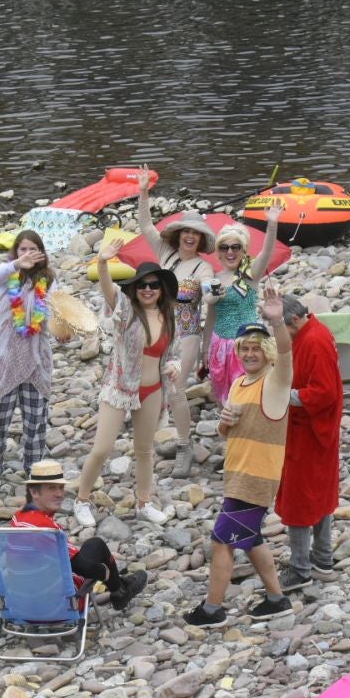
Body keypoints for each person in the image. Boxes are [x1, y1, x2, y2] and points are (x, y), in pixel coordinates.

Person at [184, 286, 295, 628]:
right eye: (244, 349)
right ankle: (277, 600)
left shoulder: (274, 384)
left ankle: (213, 609)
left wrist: (275, 322)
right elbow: (229, 432)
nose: (249, 354)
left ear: (266, 352)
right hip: (236, 475)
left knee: (222, 540)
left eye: (255, 349)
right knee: (250, 537)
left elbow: (287, 357)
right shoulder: (238, 384)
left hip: (257, 478)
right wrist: (223, 423)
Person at [74, 240, 181, 528]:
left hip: (153, 390)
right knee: (102, 448)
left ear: (162, 290)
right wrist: (103, 262)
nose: (148, 289)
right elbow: (108, 289)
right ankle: (82, 500)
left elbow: (174, 355)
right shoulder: (125, 310)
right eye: (142, 285)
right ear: (134, 289)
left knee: (145, 450)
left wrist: (174, 366)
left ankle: (145, 503)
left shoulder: (169, 316)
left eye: (154, 285)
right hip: (120, 389)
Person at [136, 166, 217, 478]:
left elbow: (210, 295)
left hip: (186, 333)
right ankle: (165, 434)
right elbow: (144, 224)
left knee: (177, 388)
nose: (189, 236)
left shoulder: (202, 269)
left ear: (200, 240)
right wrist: (144, 191)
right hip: (157, 330)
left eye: (194, 233)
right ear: (178, 234)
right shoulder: (165, 254)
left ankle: (184, 446)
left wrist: (213, 294)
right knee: (155, 383)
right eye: (185, 231)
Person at [11, 460, 148, 608]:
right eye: (52, 488)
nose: (59, 494)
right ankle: (119, 591)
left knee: (87, 549)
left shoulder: (17, 518)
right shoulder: (46, 529)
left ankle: (119, 587)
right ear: (34, 492)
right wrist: (106, 574)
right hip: (57, 605)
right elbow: (82, 567)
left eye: (61, 488)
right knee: (96, 545)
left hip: (18, 604)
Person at [275, 295, 343, 591]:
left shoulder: (313, 340)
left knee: (299, 499)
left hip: (309, 431)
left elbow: (324, 392)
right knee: (320, 492)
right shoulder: (314, 331)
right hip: (316, 431)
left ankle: (301, 568)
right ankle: (323, 559)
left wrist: (285, 395)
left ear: (293, 320)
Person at [0, 229, 55, 490]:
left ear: (41, 252)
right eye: (22, 249)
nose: (27, 254)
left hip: (36, 358)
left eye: (32, 249)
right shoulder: (8, 276)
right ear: (16, 252)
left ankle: (34, 466)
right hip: (6, 357)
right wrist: (16, 264)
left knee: (35, 418)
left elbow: (57, 312)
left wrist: (63, 328)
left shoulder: (48, 280)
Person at [201, 204, 284, 405]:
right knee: (223, 391)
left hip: (248, 344)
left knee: (249, 391)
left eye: (235, 247)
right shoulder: (212, 279)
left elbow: (267, 251)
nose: (230, 252)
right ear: (218, 253)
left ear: (243, 251)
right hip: (220, 344)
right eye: (224, 247)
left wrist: (272, 223)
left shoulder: (250, 275)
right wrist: (204, 350)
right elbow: (211, 316)